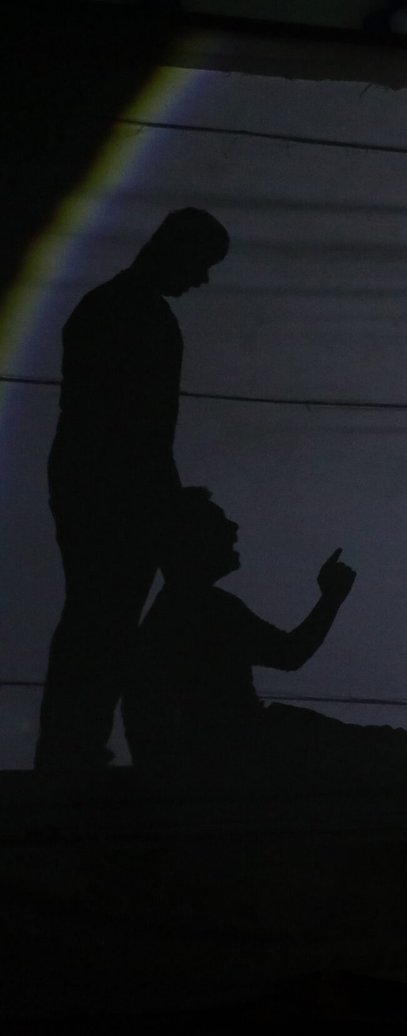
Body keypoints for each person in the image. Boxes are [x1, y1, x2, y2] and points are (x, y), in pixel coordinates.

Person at [124, 488, 407, 795]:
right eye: (218, 524)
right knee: (391, 753)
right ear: (192, 540)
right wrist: (331, 598)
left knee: (389, 749)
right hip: (252, 753)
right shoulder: (202, 608)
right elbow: (289, 654)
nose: (233, 529)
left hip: (244, 751)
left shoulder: (180, 611)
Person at [35, 208, 229, 772]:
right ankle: (73, 749)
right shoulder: (136, 316)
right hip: (114, 494)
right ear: (176, 251)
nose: (202, 280)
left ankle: (72, 746)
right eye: (202, 264)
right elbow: (138, 430)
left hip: (94, 487)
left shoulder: (109, 308)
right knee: (103, 619)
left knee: (98, 617)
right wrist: (163, 501)